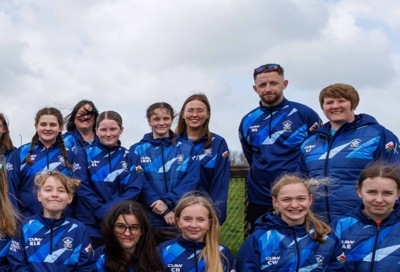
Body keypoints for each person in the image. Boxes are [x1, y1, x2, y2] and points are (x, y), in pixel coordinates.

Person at [298, 83, 400, 223]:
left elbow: (398, 179)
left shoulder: (378, 135)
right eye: (329, 102)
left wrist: (387, 219)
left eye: (341, 101)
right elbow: (300, 181)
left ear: (353, 104)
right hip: (318, 223)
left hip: (362, 222)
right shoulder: (310, 142)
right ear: (323, 107)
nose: (335, 106)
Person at [238, 64, 320, 235]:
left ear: (285, 84)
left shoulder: (305, 114)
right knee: (260, 243)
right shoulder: (248, 120)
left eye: (273, 83)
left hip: (295, 198)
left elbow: (317, 152)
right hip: (259, 197)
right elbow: (251, 156)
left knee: (299, 243)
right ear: (255, 88)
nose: (268, 88)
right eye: (262, 84)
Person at [10, 171, 94, 272]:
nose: (54, 194)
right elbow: (17, 265)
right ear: (39, 195)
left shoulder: (79, 229)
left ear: (70, 197)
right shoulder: (25, 227)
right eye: (48, 190)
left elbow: (87, 267)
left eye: (61, 190)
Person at [70, 111, 145, 245]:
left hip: (121, 223)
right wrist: (100, 211)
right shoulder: (84, 154)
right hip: (90, 223)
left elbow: (134, 189)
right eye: (103, 129)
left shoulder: (131, 157)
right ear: (96, 130)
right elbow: (81, 185)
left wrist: (110, 212)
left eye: (113, 129)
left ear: (121, 130)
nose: (108, 134)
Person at [128, 102, 199, 234]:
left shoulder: (187, 148)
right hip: (148, 219)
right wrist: (158, 205)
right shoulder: (136, 150)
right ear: (149, 121)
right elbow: (139, 182)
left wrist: (167, 202)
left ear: (172, 120)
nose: (161, 123)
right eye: (156, 119)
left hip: (178, 216)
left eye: (166, 118)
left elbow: (191, 180)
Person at [174, 94, 231, 224]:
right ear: (183, 114)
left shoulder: (218, 143)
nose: (195, 114)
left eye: (200, 110)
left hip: (203, 215)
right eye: (190, 110)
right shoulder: (172, 142)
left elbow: (220, 184)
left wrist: (215, 217)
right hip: (174, 214)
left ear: (207, 114)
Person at [12, 107, 72, 217]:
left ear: (60, 127)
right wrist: (15, 218)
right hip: (27, 220)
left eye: (52, 125)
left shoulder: (71, 154)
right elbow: (11, 188)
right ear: (36, 126)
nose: (48, 128)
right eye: (43, 124)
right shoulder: (21, 153)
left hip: (62, 221)